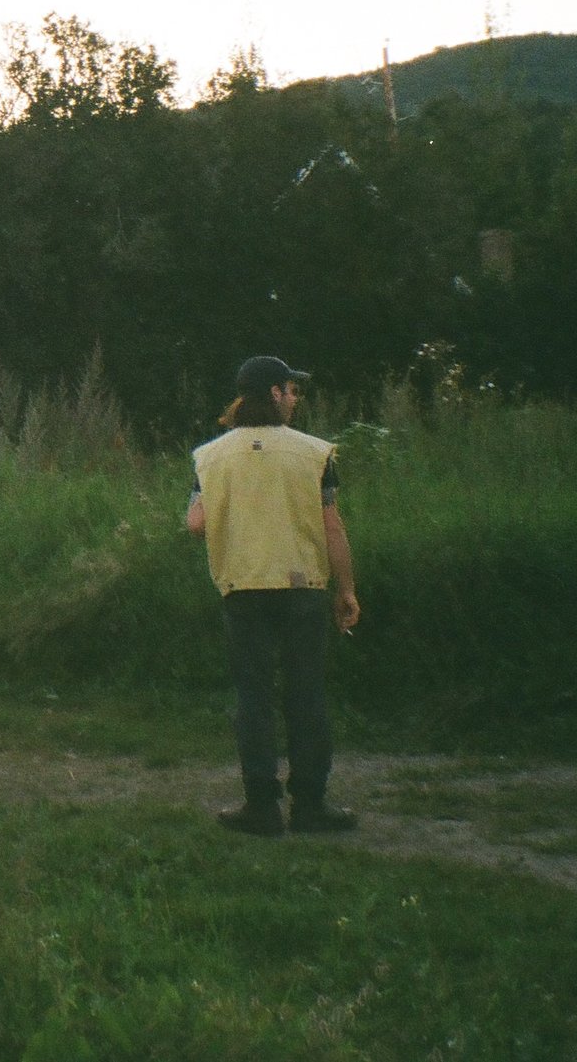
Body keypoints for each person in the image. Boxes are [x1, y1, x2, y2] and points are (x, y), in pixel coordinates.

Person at [185, 355, 360, 836]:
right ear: (274, 395)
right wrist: (346, 590)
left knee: (254, 698)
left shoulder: (210, 456)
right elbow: (331, 526)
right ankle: (310, 805)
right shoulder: (315, 453)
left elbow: (196, 524)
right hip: (302, 587)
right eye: (292, 389)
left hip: (242, 588)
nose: (296, 398)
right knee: (306, 694)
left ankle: (261, 806)